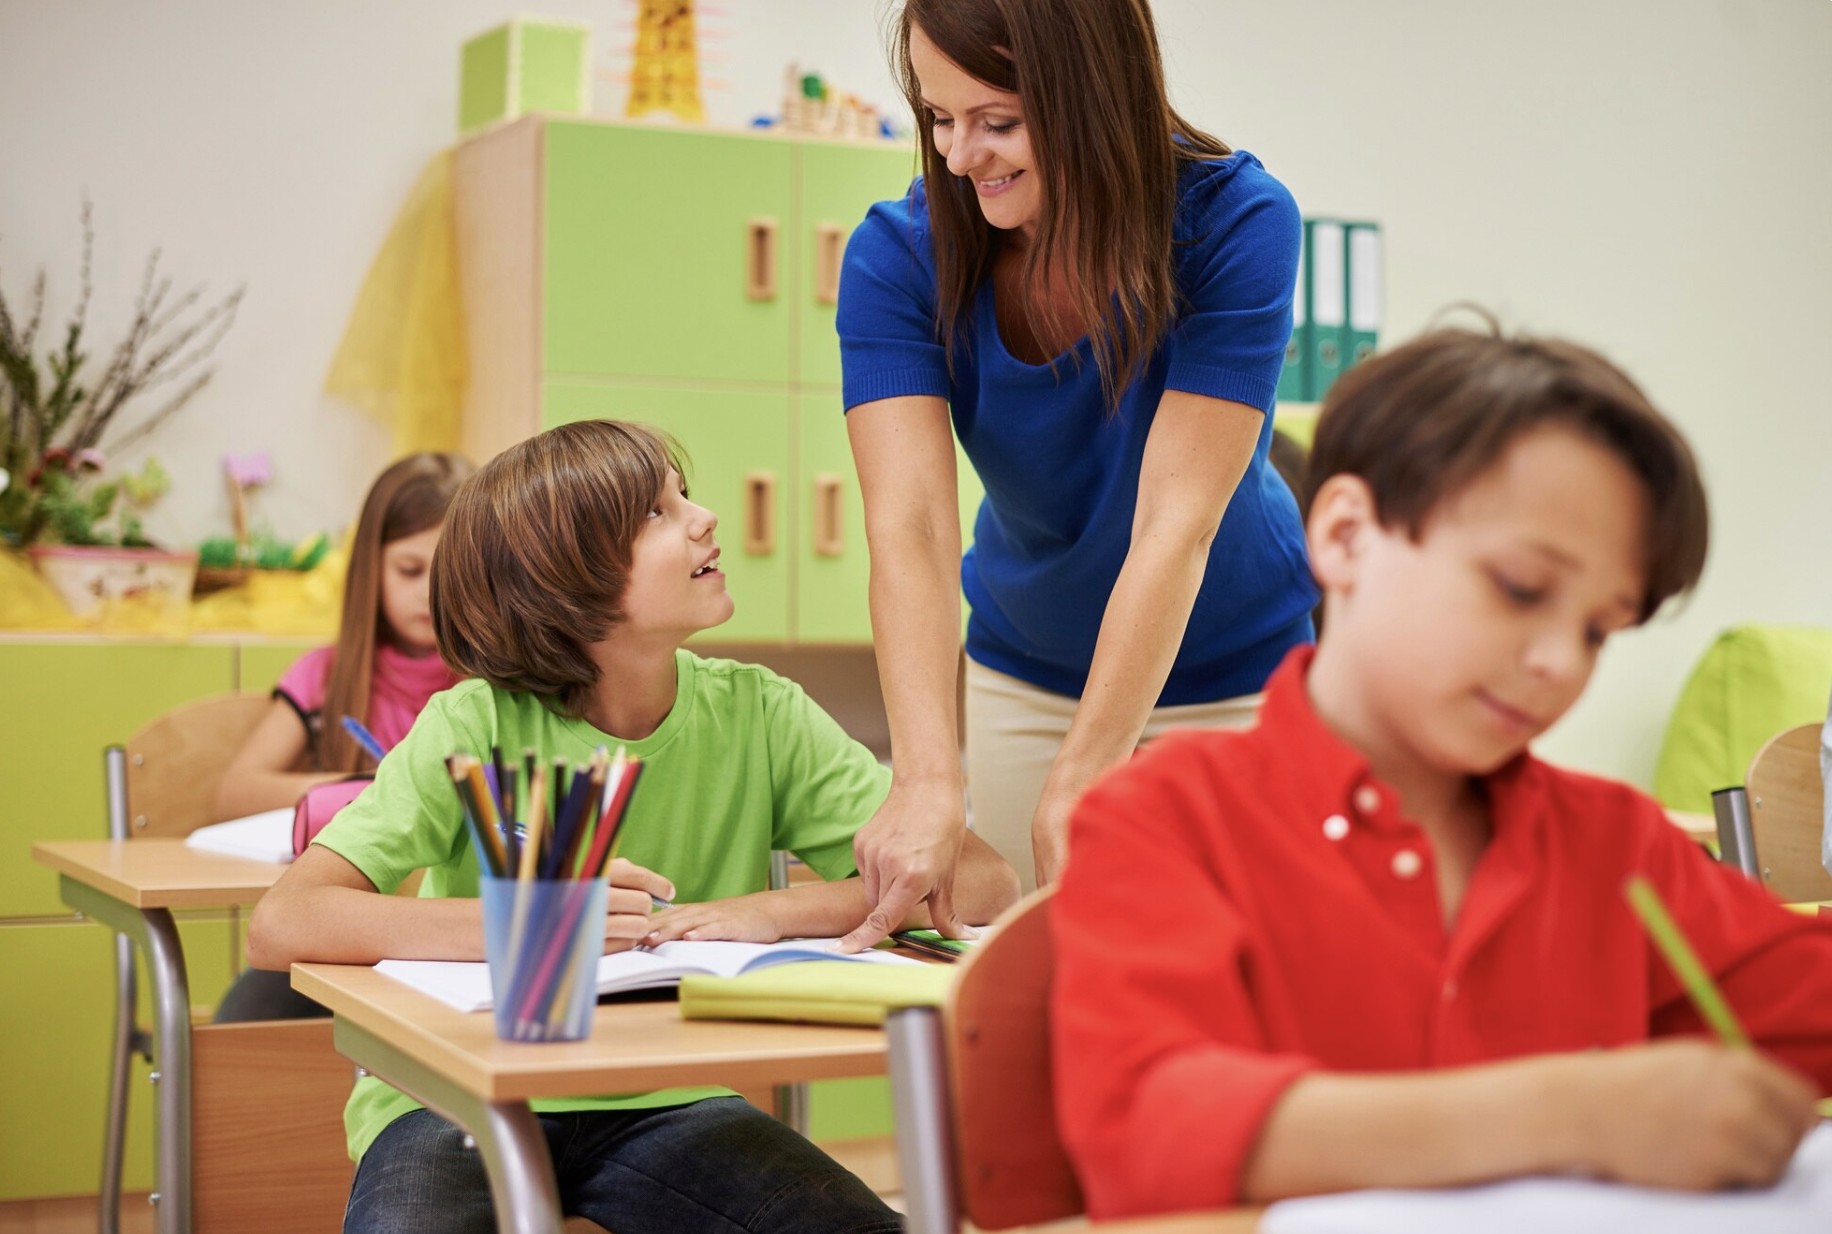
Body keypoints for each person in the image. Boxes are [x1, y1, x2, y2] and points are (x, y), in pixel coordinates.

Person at [1050, 321, 1832, 1217]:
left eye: (1597, 630)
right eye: (1522, 589)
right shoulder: (1168, 819)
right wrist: (1574, 1113)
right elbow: (1144, 1133)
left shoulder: (1618, 848)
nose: (1560, 664)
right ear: (1345, 534)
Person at [248, 419, 1019, 1234]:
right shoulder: (471, 723)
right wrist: (527, 926)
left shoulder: (760, 713)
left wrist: (773, 910)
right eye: (655, 512)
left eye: (682, 495)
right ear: (559, 580)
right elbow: (283, 922)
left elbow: (982, 882)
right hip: (454, 1099)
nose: (704, 516)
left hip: (671, 1102)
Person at [836, 0, 1317, 945]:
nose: (960, 155)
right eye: (938, 118)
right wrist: (927, 776)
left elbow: (1176, 524)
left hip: (1238, 675)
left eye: (998, 121)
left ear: (1092, 95)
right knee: (1032, 1004)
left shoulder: (1236, 223)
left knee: (1232, 1008)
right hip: (1028, 667)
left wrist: (1089, 770)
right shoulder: (898, 256)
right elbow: (912, 528)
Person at [214, 450, 472, 1022]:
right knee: (243, 1022)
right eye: (409, 570)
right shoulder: (324, 677)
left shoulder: (496, 688)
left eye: (448, 571)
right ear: (369, 569)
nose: (429, 592)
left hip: (460, 943)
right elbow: (235, 792)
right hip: (344, 938)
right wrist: (376, 786)